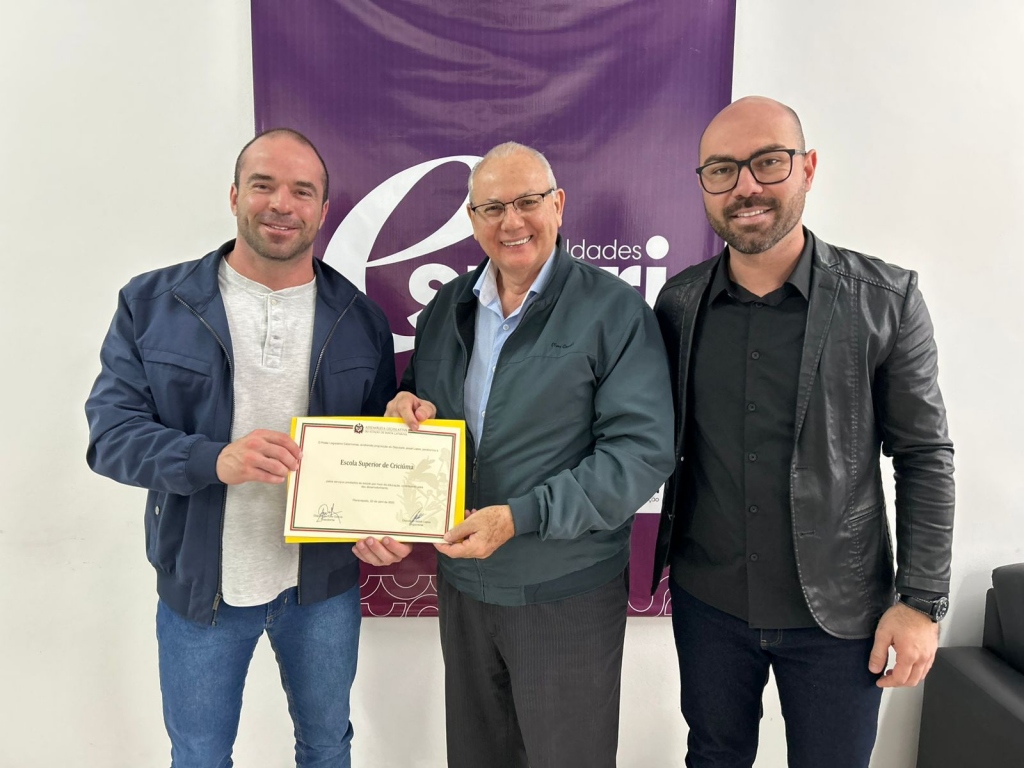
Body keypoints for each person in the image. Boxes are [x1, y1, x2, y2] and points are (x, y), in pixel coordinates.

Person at [651, 96, 956, 768]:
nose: (746, 187)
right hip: (709, 603)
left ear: (808, 168)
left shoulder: (885, 301)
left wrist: (921, 602)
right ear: (704, 186)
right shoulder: (678, 304)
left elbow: (924, 455)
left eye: (767, 162)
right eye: (722, 170)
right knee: (712, 757)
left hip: (841, 616)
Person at [85, 128, 402, 768]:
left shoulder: (360, 319)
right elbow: (110, 437)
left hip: (322, 588)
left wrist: (385, 523)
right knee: (200, 756)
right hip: (201, 586)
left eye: (302, 191)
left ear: (323, 210)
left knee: (327, 747)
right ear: (234, 196)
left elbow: (376, 449)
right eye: (263, 185)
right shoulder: (153, 304)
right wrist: (214, 459)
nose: (281, 204)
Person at [383, 142, 675, 768]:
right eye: (492, 207)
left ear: (558, 205)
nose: (510, 222)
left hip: (565, 592)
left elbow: (641, 452)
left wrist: (521, 517)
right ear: (472, 219)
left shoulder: (613, 310)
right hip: (464, 588)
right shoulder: (447, 308)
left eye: (527, 202)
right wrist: (403, 411)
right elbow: (423, 413)